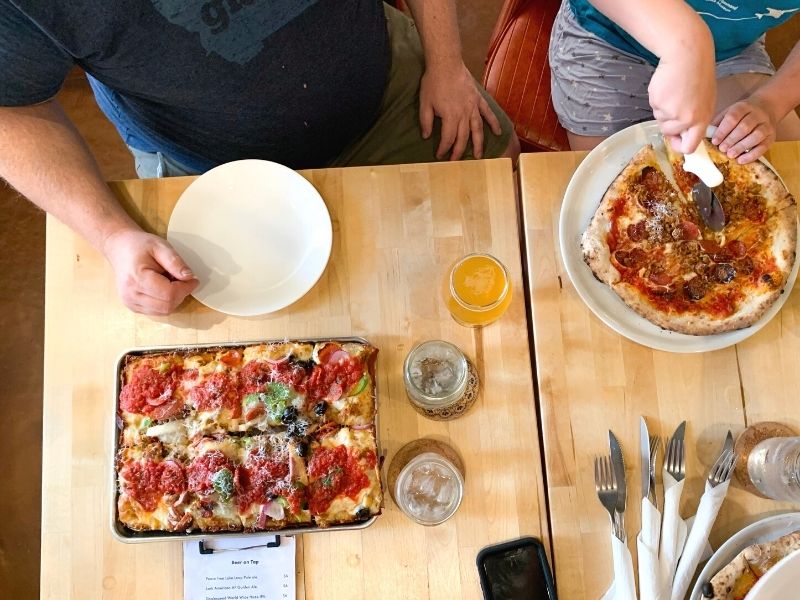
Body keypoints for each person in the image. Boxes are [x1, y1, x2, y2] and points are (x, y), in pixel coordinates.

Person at [0, 1, 520, 316]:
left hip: (384, 89)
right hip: (205, 171)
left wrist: (448, 64)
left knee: (505, 190)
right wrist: (112, 237)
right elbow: (10, 109)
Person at [549, 0, 800, 160]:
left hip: (729, 48)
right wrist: (687, 42)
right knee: (605, 175)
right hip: (605, 33)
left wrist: (771, 102)